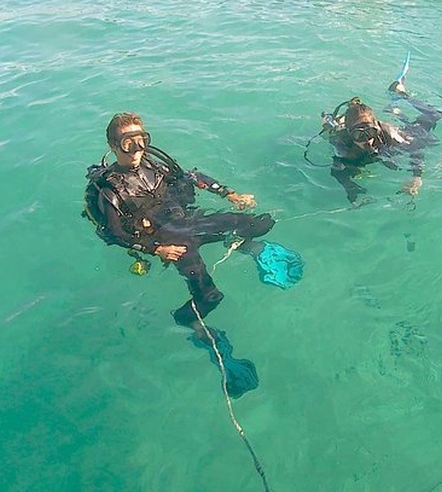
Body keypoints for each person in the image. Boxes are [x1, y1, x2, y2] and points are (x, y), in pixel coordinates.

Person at [83, 112, 304, 397]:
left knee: (257, 223)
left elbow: (193, 177)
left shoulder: (155, 165)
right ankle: (189, 320)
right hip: (167, 240)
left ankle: (246, 244)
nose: (138, 149)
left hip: (187, 222)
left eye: (143, 141)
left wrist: (229, 194)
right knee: (210, 297)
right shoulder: (110, 190)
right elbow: (115, 234)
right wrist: (156, 249)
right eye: (129, 144)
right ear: (114, 146)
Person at [323, 79, 442, 206]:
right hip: (347, 132)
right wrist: (351, 188)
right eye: (359, 135)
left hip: (408, 132)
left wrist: (416, 176)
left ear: (377, 127)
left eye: (370, 132)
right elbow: (337, 170)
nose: (367, 140)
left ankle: (401, 93)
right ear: (350, 134)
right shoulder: (342, 142)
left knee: (435, 115)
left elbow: (416, 146)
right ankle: (337, 121)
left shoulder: (390, 134)